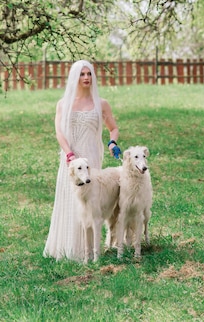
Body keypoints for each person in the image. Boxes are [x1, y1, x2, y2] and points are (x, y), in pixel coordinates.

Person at [43, 59, 121, 261]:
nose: (86, 78)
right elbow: (59, 132)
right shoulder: (63, 104)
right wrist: (69, 154)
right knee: (70, 199)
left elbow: (113, 128)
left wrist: (112, 143)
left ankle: (89, 251)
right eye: (82, 74)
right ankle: (67, 248)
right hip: (70, 159)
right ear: (74, 78)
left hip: (91, 159)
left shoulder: (101, 104)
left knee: (90, 201)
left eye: (89, 74)